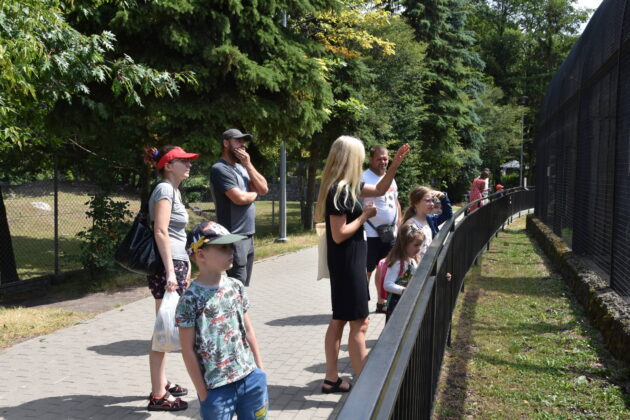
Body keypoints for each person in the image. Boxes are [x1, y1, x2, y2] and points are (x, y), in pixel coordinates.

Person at [314, 135, 410, 393]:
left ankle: (331, 378)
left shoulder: (348, 186)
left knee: (341, 320)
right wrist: (365, 215)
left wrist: (394, 165)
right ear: (351, 158)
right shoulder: (340, 190)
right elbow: (339, 233)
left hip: (350, 260)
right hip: (347, 262)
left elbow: (380, 190)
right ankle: (368, 386)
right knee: (360, 322)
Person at [176, 221, 266, 420]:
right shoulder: (189, 299)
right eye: (223, 247)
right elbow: (187, 349)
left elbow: (248, 330)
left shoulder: (236, 286)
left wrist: (259, 370)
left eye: (231, 246)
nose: (231, 251)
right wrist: (202, 392)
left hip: (250, 378)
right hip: (216, 388)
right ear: (201, 254)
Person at [144, 145, 199, 412]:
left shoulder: (173, 190)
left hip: (175, 266)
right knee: (163, 329)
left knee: (166, 327)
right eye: (183, 161)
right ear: (168, 165)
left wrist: (183, 266)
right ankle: (157, 395)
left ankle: (162, 382)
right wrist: (169, 273)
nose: (189, 165)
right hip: (168, 269)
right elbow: (161, 232)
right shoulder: (165, 189)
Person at [211, 128, 269, 287]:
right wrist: (254, 193)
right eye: (237, 141)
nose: (242, 145)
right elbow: (240, 198)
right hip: (233, 235)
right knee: (237, 285)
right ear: (225, 143)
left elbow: (264, 188)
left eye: (243, 141)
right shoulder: (220, 169)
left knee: (243, 286)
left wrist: (248, 164)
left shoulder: (242, 167)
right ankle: (236, 312)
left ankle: (240, 312)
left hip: (248, 234)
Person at [361, 145, 401, 315]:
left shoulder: (390, 178)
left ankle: (381, 302)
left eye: (385, 158)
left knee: (385, 268)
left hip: (390, 233)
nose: (383, 162)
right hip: (370, 233)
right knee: (367, 269)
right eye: (379, 159)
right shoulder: (363, 177)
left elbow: (396, 201)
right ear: (371, 159)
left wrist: (399, 224)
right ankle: (361, 303)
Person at [383, 224, 425, 321]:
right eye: (416, 245)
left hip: (407, 303)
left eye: (421, 245)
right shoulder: (398, 263)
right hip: (397, 305)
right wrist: (404, 290)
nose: (419, 248)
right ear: (404, 244)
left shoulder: (413, 261)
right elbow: (387, 284)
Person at [401, 186, 436, 259]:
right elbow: (407, 253)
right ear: (416, 203)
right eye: (427, 201)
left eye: (432, 200)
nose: (432, 204)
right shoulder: (411, 225)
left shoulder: (428, 220)